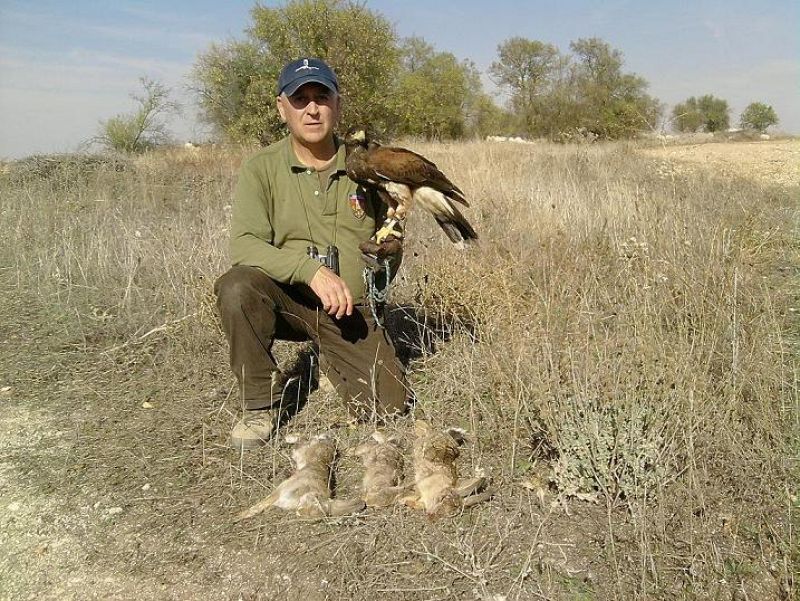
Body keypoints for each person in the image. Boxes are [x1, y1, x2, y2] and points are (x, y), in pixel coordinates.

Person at [214, 57, 408, 451]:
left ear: (337, 105)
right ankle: (259, 404)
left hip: (348, 310)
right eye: (300, 98)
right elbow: (245, 245)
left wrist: (388, 252)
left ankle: (332, 356)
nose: (312, 108)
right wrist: (310, 271)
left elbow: (384, 263)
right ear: (281, 108)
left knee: (389, 408)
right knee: (236, 287)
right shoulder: (261, 167)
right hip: (288, 299)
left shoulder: (367, 165)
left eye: (322, 96)